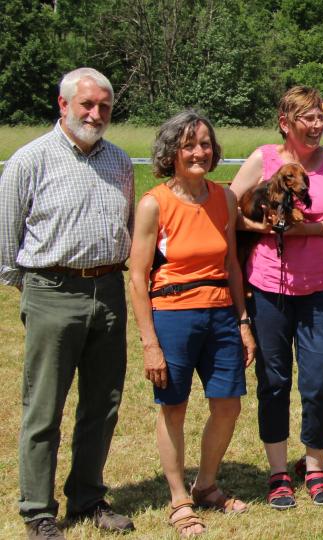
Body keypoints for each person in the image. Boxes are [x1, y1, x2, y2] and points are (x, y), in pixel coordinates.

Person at [0, 67, 135, 539]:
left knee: (103, 403)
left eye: (104, 106)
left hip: (109, 291)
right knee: (43, 407)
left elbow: (130, 230)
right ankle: (38, 510)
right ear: (64, 105)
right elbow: (6, 246)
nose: (96, 114)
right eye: (87, 105)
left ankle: (88, 497)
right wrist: (39, 294)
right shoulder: (28, 161)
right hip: (51, 291)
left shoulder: (119, 161)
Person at [230, 86, 323, 509]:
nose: (318, 124)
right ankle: (278, 472)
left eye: (321, 117)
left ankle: (317, 467)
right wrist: (260, 228)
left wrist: (306, 229)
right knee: (274, 380)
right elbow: (228, 209)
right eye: (308, 118)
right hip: (269, 285)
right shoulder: (264, 158)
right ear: (285, 123)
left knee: (319, 381)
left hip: (322, 284)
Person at [129, 111, 255, 537]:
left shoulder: (225, 198)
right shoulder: (153, 204)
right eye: (188, 145)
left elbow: (232, 265)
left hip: (221, 312)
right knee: (174, 407)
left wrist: (242, 322)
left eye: (205, 144)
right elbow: (137, 277)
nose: (199, 152)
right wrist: (150, 342)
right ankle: (179, 498)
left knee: (228, 404)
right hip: (173, 316)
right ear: (172, 153)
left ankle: (206, 484)